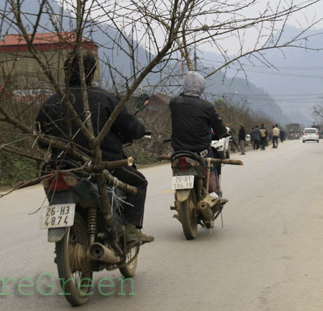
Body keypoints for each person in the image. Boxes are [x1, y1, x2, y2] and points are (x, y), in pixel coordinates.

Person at [35, 53, 153, 243]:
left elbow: (41, 139)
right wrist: (139, 132)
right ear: (91, 74)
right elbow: (131, 126)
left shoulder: (52, 101)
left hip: (63, 165)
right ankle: (131, 229)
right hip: (104, 164)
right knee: (139, 183)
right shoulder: (105, 98)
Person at [169, 71, 228, 195]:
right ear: (201, 87)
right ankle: (215, 193)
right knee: (214, 184)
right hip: (201, 152)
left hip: (179, 152)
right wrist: (222, 133)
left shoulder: (174, 103)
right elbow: (221, 130)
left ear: (184, 85)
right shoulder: (207, 107)